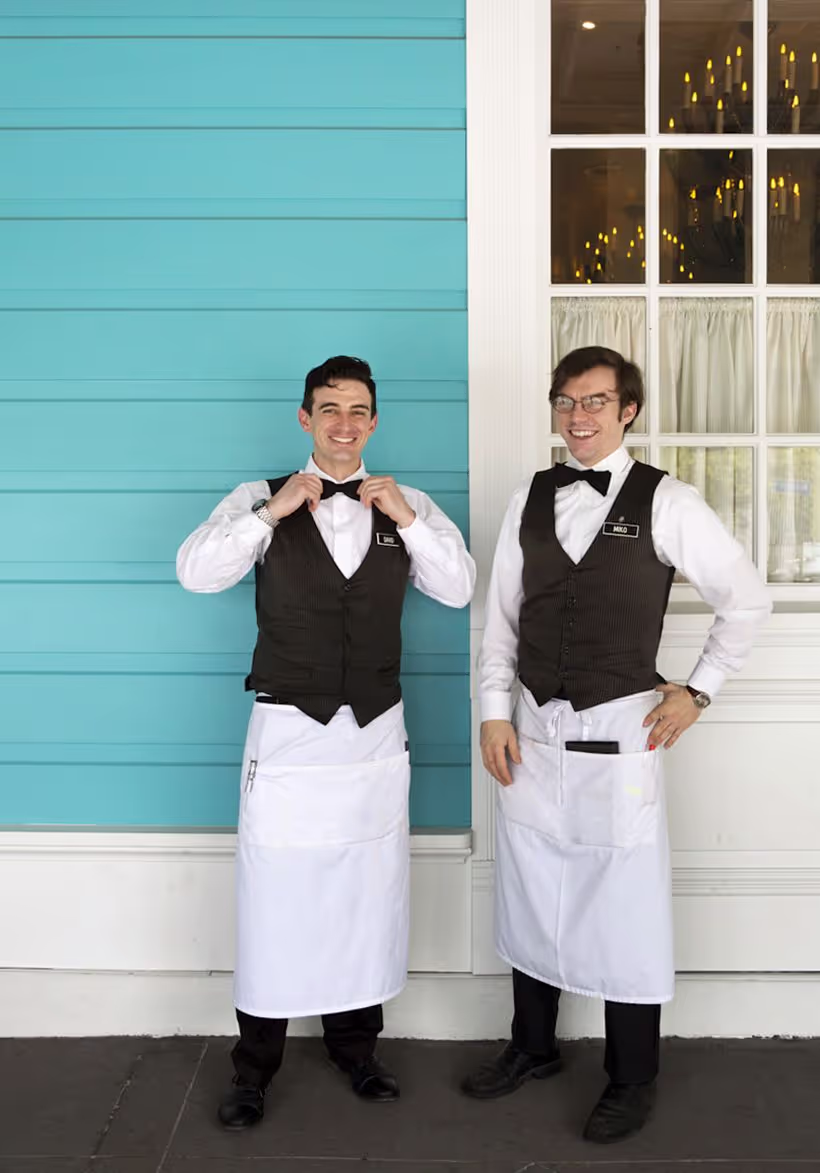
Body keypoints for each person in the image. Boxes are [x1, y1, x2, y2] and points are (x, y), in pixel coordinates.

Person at [461, 346, 771, 1143]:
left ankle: (632, 1076)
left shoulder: (666, 501)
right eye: (566, 401)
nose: (579, 416)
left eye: (596, 401)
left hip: (617, 727)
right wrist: (494, 711)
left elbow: (746, 598)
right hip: (532, 726)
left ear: (627, 409)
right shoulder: (529, 498)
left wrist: (698, 688)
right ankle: (532, 1044)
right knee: (530, 881)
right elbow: (501, 620)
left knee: (625, 905)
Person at [177, 355, 475, 1130]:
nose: (344, 423)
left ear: (375, 422)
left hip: (373, 734)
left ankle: (357, 1048)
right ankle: (254, 1066)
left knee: (365, 891)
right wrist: (273, 513)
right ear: (305, 417)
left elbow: (460, 585)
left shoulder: (406, 504)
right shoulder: (256, 498)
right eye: (329, 408)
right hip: (287, 735)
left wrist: (407, 519)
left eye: (359, 410)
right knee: (274, 898)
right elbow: (197, 572)